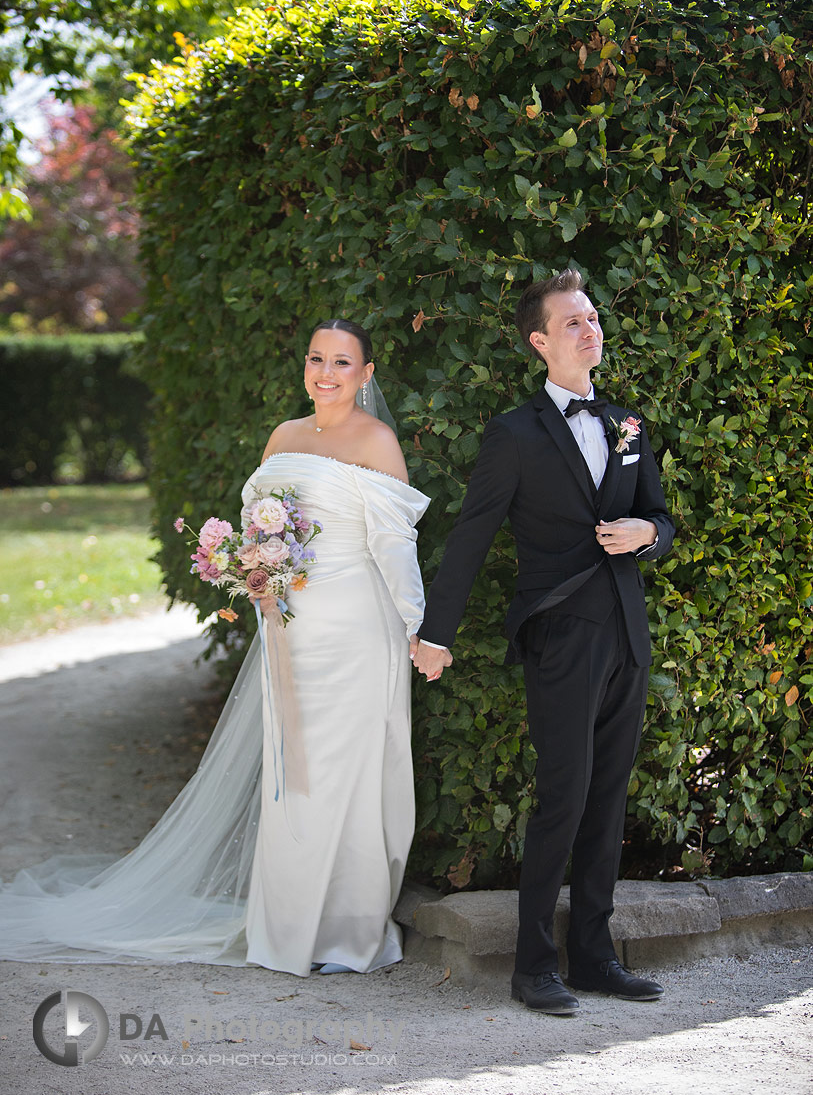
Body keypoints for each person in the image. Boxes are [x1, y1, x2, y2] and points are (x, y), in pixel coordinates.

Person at [0, 319, 430, 976]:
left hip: (356, 635)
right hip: (288, 627)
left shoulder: (378, 442)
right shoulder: (283, 437)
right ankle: (287, 930)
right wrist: (256, 572)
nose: (325, 372)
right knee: (295, 778)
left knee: (351, 775)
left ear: (366, 374)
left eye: (342, 362)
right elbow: (265, 523)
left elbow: (394, 548)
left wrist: (414, 624)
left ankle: (345, 931)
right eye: (316, 358)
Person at [412, 270, 674, 1014]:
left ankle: (593, 956)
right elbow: (470, 538)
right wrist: (436, 633)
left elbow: (661, 516)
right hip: (560, 634)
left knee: (607, 800)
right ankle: (533, 967)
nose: (589, 330)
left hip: (626, 633)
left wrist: (647, 533)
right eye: (571, 323)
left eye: (592, 318)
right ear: (539, 342)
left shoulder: (627, 424)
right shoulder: (514, 433)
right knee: (561, 796)